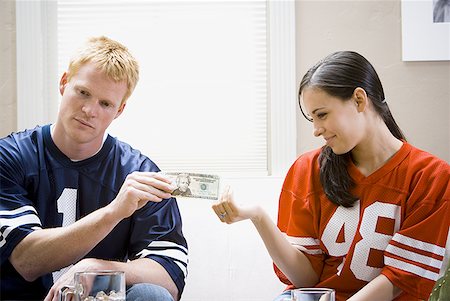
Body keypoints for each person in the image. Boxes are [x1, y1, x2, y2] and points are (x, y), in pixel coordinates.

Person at [212, 51, 450, 301]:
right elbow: (306, 280)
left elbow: (401, 279)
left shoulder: (431, 176)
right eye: (312, 118)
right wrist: (258, 216)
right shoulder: (306, 169)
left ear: (359, 100)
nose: (316, 130)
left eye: (322, 114)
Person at [0, 36, 188, 301]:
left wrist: (99, 269)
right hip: (23, 295)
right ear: (64, 83)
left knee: (151, 294)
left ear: (119, 110)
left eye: (106, 104)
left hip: (93, 295)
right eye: (83, 92)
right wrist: (114, 212)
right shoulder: (10, 156)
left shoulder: (139, 172)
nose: (89, 110)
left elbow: (170, 276)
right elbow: (26, 261)